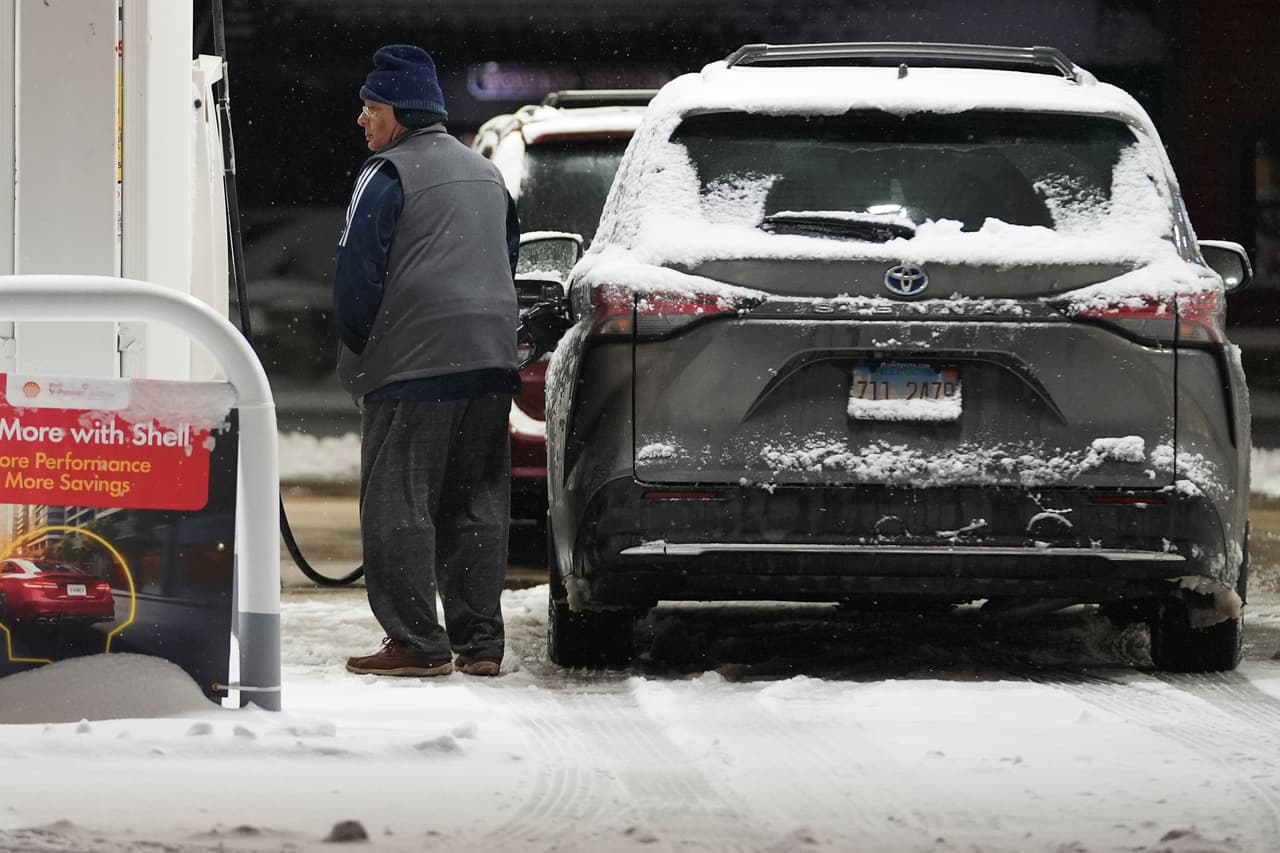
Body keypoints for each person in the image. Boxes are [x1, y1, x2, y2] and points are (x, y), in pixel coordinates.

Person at [334, 44, 521, 678]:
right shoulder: (487, 173)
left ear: (401, 113)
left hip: (413, 364)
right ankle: (481, 641)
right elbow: (507, 257)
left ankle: (417, 642)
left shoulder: (386, 174)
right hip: (491, 361)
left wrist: (361, 355)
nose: (362, 120)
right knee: (475, 502)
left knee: (398, 502)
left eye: (371, 107)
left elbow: (357, 280)